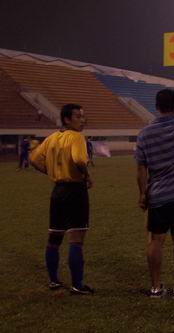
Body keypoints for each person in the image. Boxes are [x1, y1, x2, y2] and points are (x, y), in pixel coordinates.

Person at [135, 59, 174, 299]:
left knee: (155, 240)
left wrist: (142, 194)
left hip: (158, 195)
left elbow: (140, 168)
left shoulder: (145, 134)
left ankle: (155, 287)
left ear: (156, 106)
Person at [30, 104, 94, 294]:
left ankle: (53, 280)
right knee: (76, 239)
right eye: (78, 117)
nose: (82, 120)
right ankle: (77, 284)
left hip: (57, 191)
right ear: (67, 119)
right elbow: (79, 160)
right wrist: (87, 176)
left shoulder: (52, 137)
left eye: (83, 116)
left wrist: (51, 172)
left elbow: (34, 159)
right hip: (75, 191)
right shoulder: (76, 137)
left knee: (54, 237)